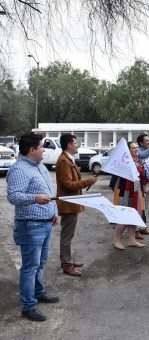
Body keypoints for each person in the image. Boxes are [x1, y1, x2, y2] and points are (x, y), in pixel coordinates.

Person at [6, 132, 60, 322]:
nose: (44, 149)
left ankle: (38, 292)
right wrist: (35, 198)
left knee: (40, 263)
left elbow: (49, 192)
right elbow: (13, 196)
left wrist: (55, 212)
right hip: (30, 226)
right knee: (30, 266)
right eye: (41, 147)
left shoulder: (40, 167)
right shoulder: (19, 169)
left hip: (45, 223)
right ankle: (28, 306)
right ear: (32, 150)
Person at [56, 134, 97, 277]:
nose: (77, 145)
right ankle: (67, 264)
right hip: (68, 204)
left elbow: (71, 181)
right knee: (67, 236)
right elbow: (68, 184)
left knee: (69, 234)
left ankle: (68, 260)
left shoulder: (68, 159)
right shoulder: (63, 160)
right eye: (75, 143)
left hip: (72, 203)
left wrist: (82, 177)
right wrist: (87, 182)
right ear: (69, 145)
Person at [109, 142, 147, 249]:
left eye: (136, 148)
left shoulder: (139, 161)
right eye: (133, 148)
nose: (136, 149)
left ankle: (132, 240)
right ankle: (116, 239)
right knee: (124, 216)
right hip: (125, 193)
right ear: (128, 150)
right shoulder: (124, 161)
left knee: (134, 216)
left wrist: (143, 187)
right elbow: (115, 179)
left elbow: (141, 176)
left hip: (136, 191)